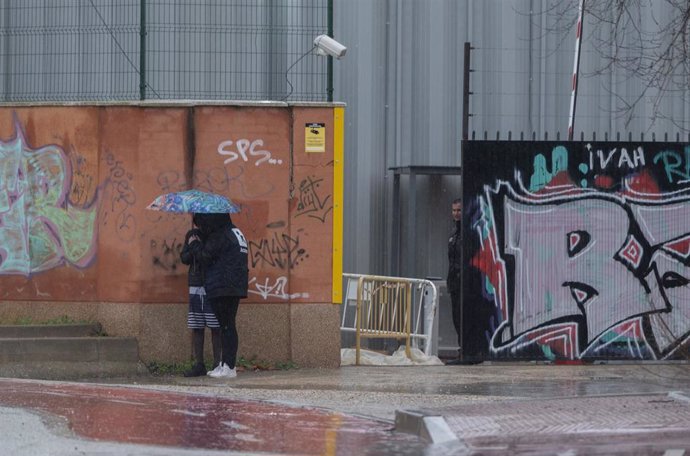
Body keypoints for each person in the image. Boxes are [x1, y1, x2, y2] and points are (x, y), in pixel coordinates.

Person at [187, 212, 248, 379]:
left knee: (226, 326)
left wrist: (194, 245)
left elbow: (205, 256)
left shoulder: (220, 234)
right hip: (235, 284)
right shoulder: (236, 232)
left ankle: (228, 366)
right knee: (227, 325)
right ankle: (225, 364)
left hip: (223, 285)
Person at [179, 218, 221, 377]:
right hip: (196, 284)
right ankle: (199, 364)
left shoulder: (215, 236)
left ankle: (217, 363)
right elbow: (184, 258)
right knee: (197, 326)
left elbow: (208, 256)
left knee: (215, 326)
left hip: (212, 284)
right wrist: (191, 245)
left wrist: (198, 246)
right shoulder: (191, 235)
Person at [446, 198, 465, 365]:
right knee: (456, 318)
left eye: (459, 210)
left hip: (462, 282)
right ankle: (462, 350)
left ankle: (465, 351)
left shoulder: (467, 232)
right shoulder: (454, 232)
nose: (456, 214)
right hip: (454, 282)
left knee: (463, 318)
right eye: (454, 210)